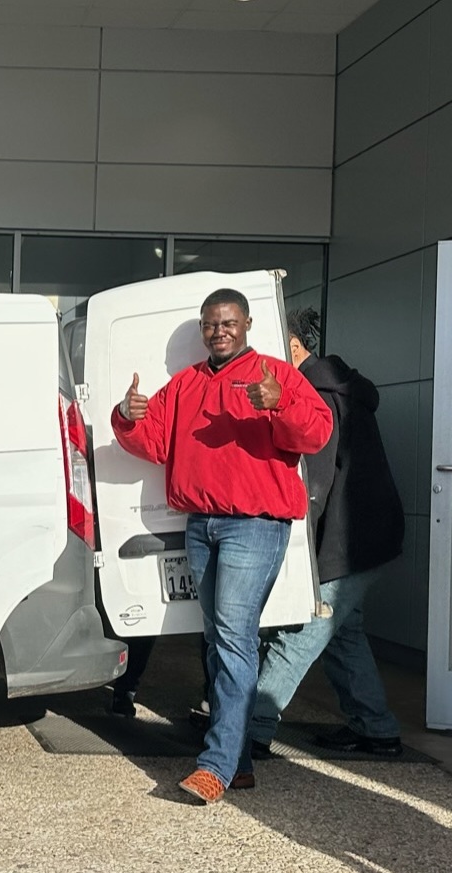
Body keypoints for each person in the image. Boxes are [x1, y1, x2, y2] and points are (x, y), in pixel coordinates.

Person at [112, 288, 334, 803]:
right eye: (211, 324)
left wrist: (280, 405)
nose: (220, 332)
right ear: (202, 329)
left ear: (247, 323)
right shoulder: (185, 384)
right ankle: (239, 762)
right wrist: (127, 415)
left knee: (233, 639)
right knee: (217, 641)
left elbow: (317, 433)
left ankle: (215, 765)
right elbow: (153, 442)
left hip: (254, 526)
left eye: (229, 322)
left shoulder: (276, 375)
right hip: (201, 525)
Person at [247, 308, 405, 757]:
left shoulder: (316, 395)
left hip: (348, 538)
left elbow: (313, 485)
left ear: (294, 346)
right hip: (366, 534)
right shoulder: (338, 387)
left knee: (300, 633)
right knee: (343, 633)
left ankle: (251, 729)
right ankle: (376, 728)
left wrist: (293, 547)